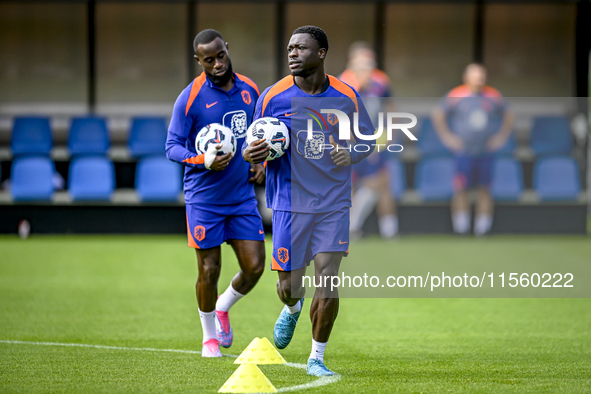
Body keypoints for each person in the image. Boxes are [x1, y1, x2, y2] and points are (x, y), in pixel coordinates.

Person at [242, 26, 374, 376]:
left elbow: (368, 140)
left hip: (333, 202)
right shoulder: (273, 96)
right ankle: (293, 306)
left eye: (301, 48)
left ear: (321, 53)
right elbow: (250, 145)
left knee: (328, 278)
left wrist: (351, 153)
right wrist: (253, 155)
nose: (293, 53)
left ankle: (317, 357)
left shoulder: (346, 95)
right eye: (290, 48)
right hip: (288, 202)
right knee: (288, 287)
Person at [165, 29, 266, 357]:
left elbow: (258, 133)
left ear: (227, 49)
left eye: (220, 55)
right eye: (209, 60)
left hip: (241, 196)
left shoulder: (250, 90)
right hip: (204, 199)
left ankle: (223, 306)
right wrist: (202, 159)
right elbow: (172, 147)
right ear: (199, 61)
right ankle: (209, 337)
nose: (217, 63)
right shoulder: (190, 98)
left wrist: (261, 161)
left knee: (254, 268)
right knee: (209, 269)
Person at [432, 63, 513, 236]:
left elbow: (509, 115)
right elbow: (438, 114)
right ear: (466, 78)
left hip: (486, 152)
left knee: (485, 189)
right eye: (475, 76)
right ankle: (462, 229)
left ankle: (481, 230)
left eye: (482, 76)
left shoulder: (493, 95)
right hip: (464, 152)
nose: (479, 79)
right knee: (460, 188)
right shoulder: (456, 95)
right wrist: (448, 137)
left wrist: (501, 137)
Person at [339, 41, 398, 239]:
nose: (368, 71)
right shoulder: (341, 85)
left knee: (381, 183)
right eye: (363, 66)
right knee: (350, 186)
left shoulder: (380, 84)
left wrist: (388, 134)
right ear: (352, 66)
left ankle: (389, 231)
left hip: (374, 142)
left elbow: (390, 109)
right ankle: (350, 229)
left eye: (370, 66)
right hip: (350, 144)